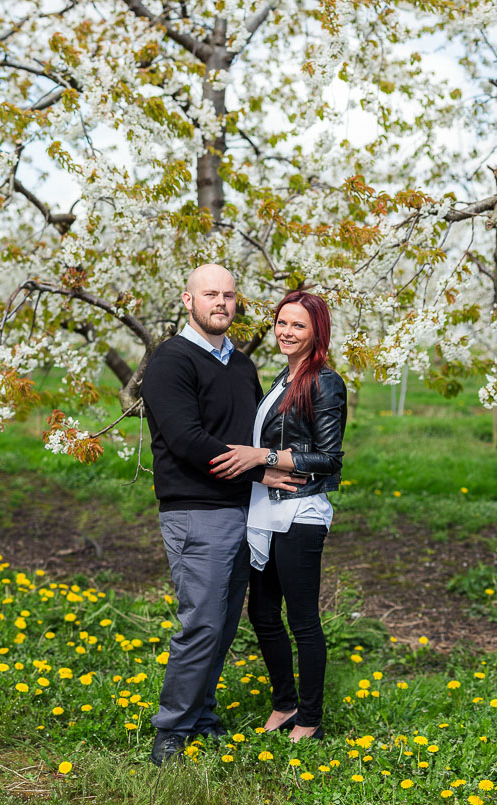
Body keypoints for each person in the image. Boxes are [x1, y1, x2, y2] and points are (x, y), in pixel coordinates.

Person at [139, 264, 304, 765]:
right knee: (202, 624)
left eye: (229, 295)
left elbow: (256, 437)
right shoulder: (170, 360)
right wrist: (259, 473)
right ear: (187, 300)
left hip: (243, 511)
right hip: (196, 510)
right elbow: (187, 440)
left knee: (225, 623)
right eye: (210, 294)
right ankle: (170, 731)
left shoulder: (240, 366)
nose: (221, 303)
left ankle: (202, 716)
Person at [209, 290, 347, 743]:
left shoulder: (324, 382)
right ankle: (284, 702)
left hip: (300, 514)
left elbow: (328, 458)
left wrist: (263, 457)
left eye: (298, 326)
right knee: (263, 614)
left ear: (316, 332)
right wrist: (261, 466)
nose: (286, 332)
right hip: (264, 512)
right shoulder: (281, 380)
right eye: (281, 323)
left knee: (302, 620)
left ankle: (310, 718)